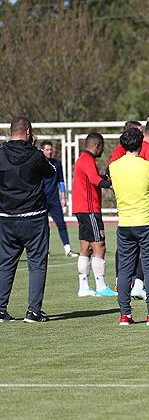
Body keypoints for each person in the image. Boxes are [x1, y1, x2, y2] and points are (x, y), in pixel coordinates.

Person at [109, 116, 149, 301]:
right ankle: (143, 292)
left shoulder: (117, 156)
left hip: (125, 215)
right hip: (145, 214)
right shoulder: (148, 150)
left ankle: (125, 306)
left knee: (125, 256)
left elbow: (111, 176)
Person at [0, 117, 57, 323]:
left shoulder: (1, 154)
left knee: (5, 264)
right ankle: (33, 312)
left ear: (10, 132)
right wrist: (34, 149)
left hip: (7, 219)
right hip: (34, 219)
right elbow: (51, 172)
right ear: (28, 133)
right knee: (37, 264)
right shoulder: (35, 155)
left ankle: (0, 309)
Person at [71, 133, 116, 298]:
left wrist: (104, 178)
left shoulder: (83, 159)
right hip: (89, 209)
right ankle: (101, 286)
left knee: (86, 248)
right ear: (98, 146)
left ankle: (83, 287)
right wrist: (112, 184)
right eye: (102, 147)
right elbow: (95, 180)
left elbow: (94, 178)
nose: (102, 150)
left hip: (82, 209)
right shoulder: (87, 160)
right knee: (100, 245)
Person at [40, 141, 77, 258]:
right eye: (47, 149)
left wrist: (63, 197)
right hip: (41, 200)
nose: (50, 152)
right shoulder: (37, 163)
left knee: (61, 224)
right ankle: (45, 250)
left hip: (54, 199)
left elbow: (61, 181)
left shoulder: (57, 164)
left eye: (51, 149)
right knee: (43, 226)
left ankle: (68, 249)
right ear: (42, 151)